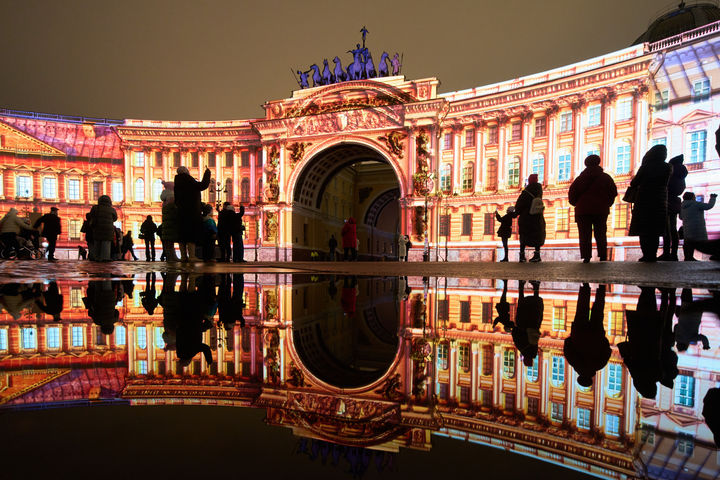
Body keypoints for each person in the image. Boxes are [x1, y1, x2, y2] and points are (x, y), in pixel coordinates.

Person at [568, 155, 617, 263]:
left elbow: (571, 196)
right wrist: (606, 204)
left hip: (583, 211)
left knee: (584, 235)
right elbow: (613, 192)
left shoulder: (579, 179)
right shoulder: (606, 178)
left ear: (586, 164)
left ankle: (586, 257)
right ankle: (603, 256)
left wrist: (579, 204)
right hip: (601, 210)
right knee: (601, 233)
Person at [628, 145, 672, 262]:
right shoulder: (667, 167)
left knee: (644, 230)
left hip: (644, 200)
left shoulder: (646, 167)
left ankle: (646, 254)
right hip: (660, 201)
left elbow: (634, 183)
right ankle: (653, 254)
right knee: (655, 230)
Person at [563, 283, 611, 387]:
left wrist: (602, 339)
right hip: (579, 333)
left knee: (598, 311)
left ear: (590, 378)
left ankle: (601, 288)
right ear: (579, 377)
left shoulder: (599, 365)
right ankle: (585, 286)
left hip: (596, 335)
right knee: (582, 308)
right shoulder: (574, 362)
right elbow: (567, 346)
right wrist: (572, 337)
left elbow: (607, 351)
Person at [174, 166, 211, 262]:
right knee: (191, 235)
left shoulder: (177, 182)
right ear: (186, 172)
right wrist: (207, 174)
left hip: (181, 212)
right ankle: (192, 256)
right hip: (191, 212)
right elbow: (202, 185)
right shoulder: (188, 180)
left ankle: (183, 256)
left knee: (182, 236)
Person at [659, 155, 687, 261]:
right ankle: (674, 254)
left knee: (666, 229)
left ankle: (666, 253)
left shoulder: (670, 171)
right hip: (675, 201)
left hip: (667, 200)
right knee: (673, 229)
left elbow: (663, 185)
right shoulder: (681, 174)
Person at [513, 174, 546, 262]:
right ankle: (537, 255)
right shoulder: (539, 191)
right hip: (537, 217)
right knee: (537, 235)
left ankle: (522, 256)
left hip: (526, 218)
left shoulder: (526, 192)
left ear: (529, 181)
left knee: (524, 236)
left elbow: (519, 204)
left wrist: (515, 213)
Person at [512, 280, 544, 366]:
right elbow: (515, 335)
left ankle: (536, 286)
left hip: (534, 324)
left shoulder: (534, 349)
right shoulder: (521, 347)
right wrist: (515, 328)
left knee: (535, 306)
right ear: (525, 358)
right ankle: (521, 285)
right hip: (523, 322)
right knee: (522, 303)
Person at [680, 191, 717, 261]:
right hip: (697, 228)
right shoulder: (696, 204)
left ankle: (688, 257)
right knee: (698, 242)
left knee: (688, 243)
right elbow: (709, 206)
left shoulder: (682, 206)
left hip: (687, 228)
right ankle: (715, 254)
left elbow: (681, 217)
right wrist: (713, 198)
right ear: (692, 197)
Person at [87, 195, 117, 262]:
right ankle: (105, 257)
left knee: (97, 243)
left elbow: (91, 215)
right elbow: (115, 218)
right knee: (106, 244)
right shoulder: (112, 209)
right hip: (108, 230)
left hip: (97, 228)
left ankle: (97, 257)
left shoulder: (95, 208)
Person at [160, 181, 180, 262]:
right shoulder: (171, 196)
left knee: (168, 242)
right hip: (171, 223)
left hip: (166, 224)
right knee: (170, 240)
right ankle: (172, 257)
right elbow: (174, 211)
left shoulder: (165, 199)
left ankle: (169, 257)